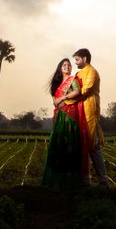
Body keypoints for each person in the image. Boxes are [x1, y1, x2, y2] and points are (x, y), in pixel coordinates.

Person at [41, 58, 88, 190]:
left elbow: (77, 92)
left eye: (68, 65)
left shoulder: (73, 80)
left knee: (70, 146)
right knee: (57, 146)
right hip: (59, 116)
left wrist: (63, 98)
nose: (66, 67)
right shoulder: (56, 84)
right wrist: (57, 101)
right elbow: (54, 101)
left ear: (71, 68)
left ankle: (71, 183)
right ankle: (56, 182)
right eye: (64, 65)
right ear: (60, 68)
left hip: (70, 117)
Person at [73, 48, 108, 187]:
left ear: (85, 59)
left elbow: (85, 91)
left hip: (90, 112)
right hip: (78, 112)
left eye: (77, 59)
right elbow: (72, 89)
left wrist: (69, 97)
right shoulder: (78, 74)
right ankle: (84, 180)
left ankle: (103, 180)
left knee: (93, 146)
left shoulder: (92, 72)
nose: (75, 62)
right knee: (80, 147)